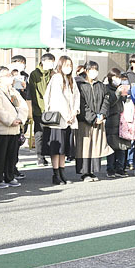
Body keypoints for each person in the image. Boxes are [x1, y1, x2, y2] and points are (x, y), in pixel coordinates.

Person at [0, 66, 29, 189]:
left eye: (10, 75)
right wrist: (11, 120)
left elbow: (22, 107)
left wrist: (20, 119)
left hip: (14, 129)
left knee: (12, 155)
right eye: (6, 75)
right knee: (0, 156)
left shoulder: (13, 92)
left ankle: (10, 176)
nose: (10, 77)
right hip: (1, 129)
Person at [42, 56, 80, 186]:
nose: (68, 67)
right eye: (65, 65)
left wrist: (75, 112)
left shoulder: (71, 79)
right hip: (59, 120)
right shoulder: (57, 78)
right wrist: (67, 114)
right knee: (56, 148)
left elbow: (76, 97)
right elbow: (57, 99)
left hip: (69, 119)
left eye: (70, 65)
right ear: (60, 65)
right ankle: (56, 173)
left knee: (64, 148)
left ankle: (62, 172)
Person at [75, 61, 111, 182]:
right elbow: (82, 104)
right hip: (84, 121)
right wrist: (93, 118)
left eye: (96, 69)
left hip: (99, 120)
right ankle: (85, 172)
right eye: (91, 69)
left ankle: (93, 171)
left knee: (96, 146)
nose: (94, 72)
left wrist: (102, 115)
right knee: (84, 147)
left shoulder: (100, 85)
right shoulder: (80, 85)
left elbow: (106, 99)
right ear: (86, 70)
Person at [27, 53, 55, 167]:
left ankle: (45, 154)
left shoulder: (53, 74)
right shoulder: (34, 74)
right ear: (43, 62)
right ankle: (39, 156)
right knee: (39, 133)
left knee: (48, 133)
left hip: (51, 108)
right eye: (50, 61)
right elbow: (34, 92)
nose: (52, 64)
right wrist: (36, 107)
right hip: (38, 107)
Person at [104, 69, 130, 178]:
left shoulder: (121, 88)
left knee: (122, 145)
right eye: (115, 77)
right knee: (112, 146)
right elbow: (109, 103)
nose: (118, 80)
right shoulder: (107, 89)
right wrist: (117, 94)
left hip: (122, 119)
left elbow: (124, 102)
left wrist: (125, 95)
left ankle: (120, 168)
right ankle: (110, 168)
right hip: (111, 119)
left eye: (119, 78)